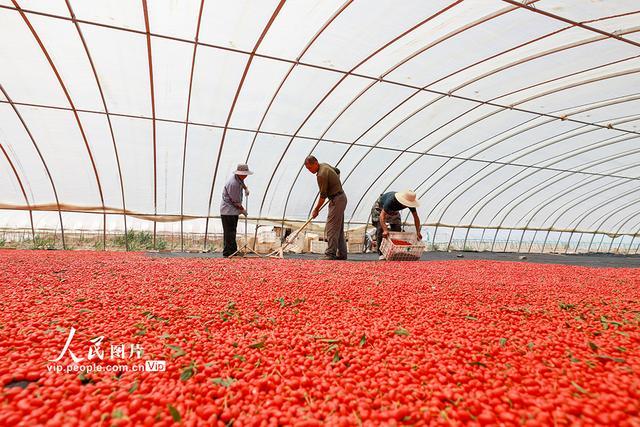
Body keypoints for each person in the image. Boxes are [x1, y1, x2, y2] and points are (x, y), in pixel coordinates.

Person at [304, 155, 347, 260]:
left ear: (315, 163)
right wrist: (335, 184)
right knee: (338, 228)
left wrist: (316, 209)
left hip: (337, 200)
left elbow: (322, 196)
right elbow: (337, 171)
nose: (309, 171)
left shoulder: (321, 175)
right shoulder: (324, 165)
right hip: (339, 197)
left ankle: (330, 253)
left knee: (331, 228)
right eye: (307, 169)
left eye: (310, 168)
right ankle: (342, 254)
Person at [371, 190, 422, 260]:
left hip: (393, 211)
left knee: (397, 228)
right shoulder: (391, 200)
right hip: (380, 209)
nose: (407, 205)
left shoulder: (410, 204)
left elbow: (416, 218)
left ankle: (394, 251)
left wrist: (418, 232)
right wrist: (385, 230)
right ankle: (381, 254)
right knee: (381, 229)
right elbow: (382, 216)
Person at [220, 164, 252, 257]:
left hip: (232, 211)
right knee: (229, 232)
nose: (246, 176)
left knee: (232, 231)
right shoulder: (233, 184)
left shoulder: (239, 179)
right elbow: (235, 201)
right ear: (240, 174)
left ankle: (233, 251)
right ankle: (228, 253)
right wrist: (243, 210)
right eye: (244, 174)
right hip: (228, 211)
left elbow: (242, 183)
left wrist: (245, 188)